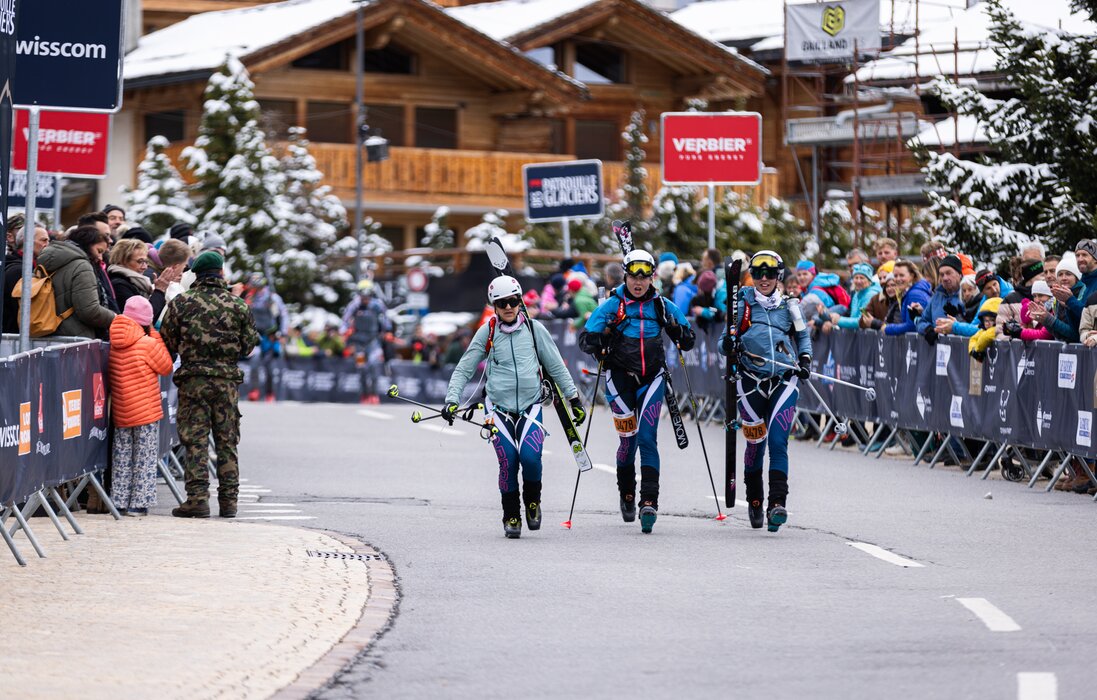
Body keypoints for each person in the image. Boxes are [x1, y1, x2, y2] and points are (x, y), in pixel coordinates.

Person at [443, 275, 585, 539]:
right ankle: (511, 515)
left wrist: (573, 398)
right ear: (494, 306)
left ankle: (532, 501)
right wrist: (452, 400)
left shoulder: (534, 329)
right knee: (508, 461)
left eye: (512, 301)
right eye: (501, 303)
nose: (508, 307)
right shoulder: (487, 331)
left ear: (520, 301)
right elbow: (465, 367)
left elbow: (555, 366)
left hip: (531, 405)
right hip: (497, 408)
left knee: (530, 458)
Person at [579, 249, 695, 534]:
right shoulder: (612, 304)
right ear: (626, 275)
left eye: (644, 276)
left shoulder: (662, 305)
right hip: (619, 381)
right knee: (627, 441)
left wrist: (676, 330)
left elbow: (688, 339)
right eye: (633, 276)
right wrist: (601, 337)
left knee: (647, 438)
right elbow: (585, 339)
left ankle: (649, 501)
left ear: (652, 277)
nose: (638, 282)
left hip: (653, 378)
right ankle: (627, 494)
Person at [161, 251, 259, 519]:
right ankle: (229, 502)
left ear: (197, 274)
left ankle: (197, 499)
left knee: (195, 440)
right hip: (226, 382)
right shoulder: (238, 305)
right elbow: (250, 345)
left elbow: (167, 341)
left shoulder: (181, 303)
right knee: (227, 441)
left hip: (193, 381)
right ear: (221, 273)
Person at [718, 250, 811, 533]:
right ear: (752, 276)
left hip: (784, 378)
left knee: (779, 442)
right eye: (758, 273)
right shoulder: (741, 304)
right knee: (756, 443)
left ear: (779, 276)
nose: (764, 279)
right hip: (749, 380)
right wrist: (730, 346)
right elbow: (724, 342)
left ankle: (777, 504)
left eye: (770, 274)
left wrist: (804, 359)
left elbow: (803, 335)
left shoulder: (790, 305)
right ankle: (755, 500)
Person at [108, 296, 173, 516]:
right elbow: (165, 366)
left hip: (122, 410)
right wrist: (154, 334)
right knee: (144, 458)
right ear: (146, 321)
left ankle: (119, 500)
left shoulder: (115, 343)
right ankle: (139, 502)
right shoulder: (147, 343)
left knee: (123, 456)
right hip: (146, 411)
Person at [36, 225, 116, 339]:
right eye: (99, 251)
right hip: (75, 338)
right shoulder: (82, 266)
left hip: (47, 333)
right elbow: (89, 311)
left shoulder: (50, 261)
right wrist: (115, 317)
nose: (100, 258)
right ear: (87, 244)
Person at [340, 279, 390, 404]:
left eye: (368, 295)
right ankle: (364, 394)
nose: (365, 299)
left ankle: (374, 394)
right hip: (358, 343)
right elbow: (345, 321)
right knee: (361, 368)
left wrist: (387, 330)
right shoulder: (354, 305)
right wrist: (344, 332)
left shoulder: (377, 305)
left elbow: (385, 318)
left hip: (373, 341)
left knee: (374, 367)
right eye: (363, 296)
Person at [107, 238, 181, 321]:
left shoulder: (135, 282)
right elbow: (144, 318)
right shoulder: (119, 284)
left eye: (146, 262)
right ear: (123, 261)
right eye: (140, 261)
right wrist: (159, 290)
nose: (145, 267)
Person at [244, 274, 290, 402]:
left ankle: (270, 393)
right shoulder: (250, 298)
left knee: (269, 366)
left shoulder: (272, 298)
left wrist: (283, 332)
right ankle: (254, 390)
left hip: (270, 336)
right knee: (254, 362)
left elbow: (284, 315)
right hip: (255, 335)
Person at [3, 224, 50, 334]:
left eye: (48, 240)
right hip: (15, 337)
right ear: (27, 241)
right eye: (43, 240)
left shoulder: (33, 267)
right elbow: (20, 309)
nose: (47, 244)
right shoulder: (18, 270)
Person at [915, 254, 972, 344]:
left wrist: (957, 323)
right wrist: (928, 329)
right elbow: (922, 321)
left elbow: (975, 327)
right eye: (942, 274)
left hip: (962, 352)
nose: (945, 278)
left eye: (949, 273)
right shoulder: (936, 297)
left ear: (959, 274)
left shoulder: (969, 294)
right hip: (940, 353)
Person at [882, 261, 932, 336]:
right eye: (895, 276)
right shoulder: (911, 291)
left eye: (902, 275)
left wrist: (887, 329)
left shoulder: (914, 294)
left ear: (912, 276)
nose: (898, 279)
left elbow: (912, 326)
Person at [830, 262, 881, 331]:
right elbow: (853, 317)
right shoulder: (856, 294)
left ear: (869, 281)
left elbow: (863, 320)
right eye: (856, 278)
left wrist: (839, 320)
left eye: (862, 278)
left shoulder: (870, 294)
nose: (858, 281)